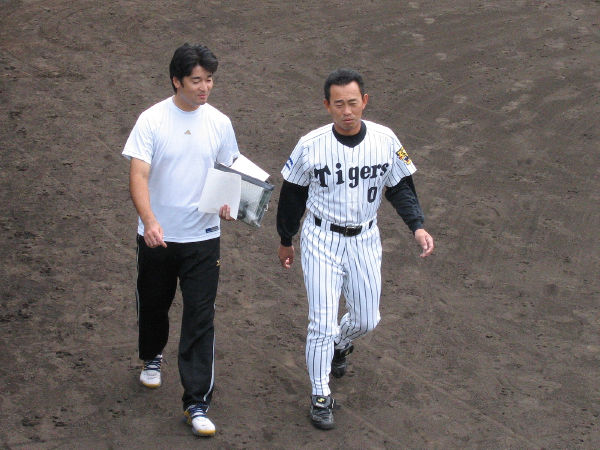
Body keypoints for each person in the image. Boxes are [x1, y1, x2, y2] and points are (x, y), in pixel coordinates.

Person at [276, 68, 434, 430]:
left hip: (365, 238)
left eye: (352, 103)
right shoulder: (310, 145)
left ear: (364, 101)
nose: (346, 111)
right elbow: (292, 196)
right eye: (338, 104)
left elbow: (400, 187)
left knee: (366, 319)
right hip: (321, 239)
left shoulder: (385, 139)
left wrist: (418, 226)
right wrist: (286, 239)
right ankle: (320, 394)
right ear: (327, 105)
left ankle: (341, 343)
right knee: (322, 323)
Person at [122, 43, 239, 437]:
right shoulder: (152, 120)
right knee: (154, 305)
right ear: (177, 80)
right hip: (157, 237)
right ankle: (152, 355)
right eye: (196, 80)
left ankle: (197, 403)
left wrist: (228, 203)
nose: (204, 87)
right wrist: (149, 221)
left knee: (200, 317)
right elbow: (139, 175)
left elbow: (229, 171)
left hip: (203, 239)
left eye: (209, 80)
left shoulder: (220, 123)